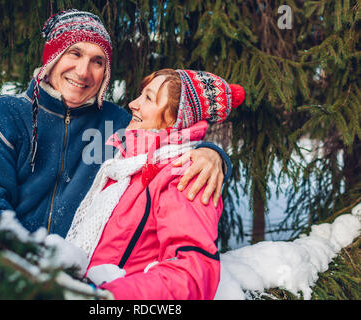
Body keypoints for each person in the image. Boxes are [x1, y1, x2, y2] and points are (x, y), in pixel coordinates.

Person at [0, 10, 232, 239]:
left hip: (83, 276)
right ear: (52, 58)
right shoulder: (4, 115)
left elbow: (170, 141)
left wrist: (212, 153)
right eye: (74, 54)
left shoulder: (120, 124)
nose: (83, 71)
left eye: (97, 61)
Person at [66, 69, 245, 300]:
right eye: (141, 94)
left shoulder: (184, 176)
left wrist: (106, 298)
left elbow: (192, 274)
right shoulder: (126, 165)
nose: (132, 104)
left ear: (177, 118)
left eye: (148, 98)